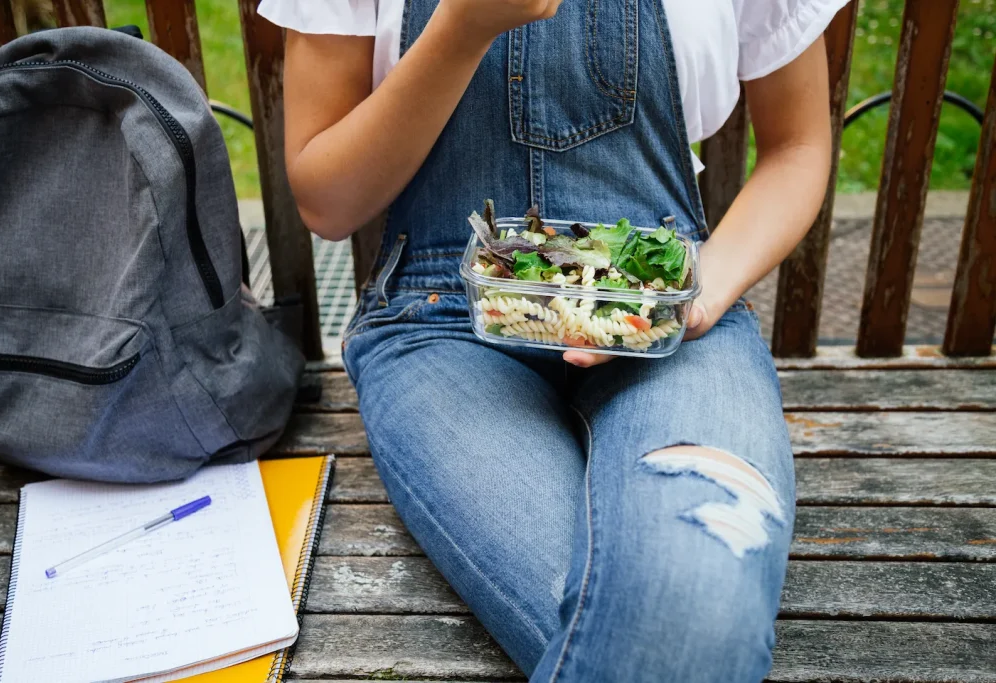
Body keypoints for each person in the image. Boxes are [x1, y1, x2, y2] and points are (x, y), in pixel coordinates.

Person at [261, 0, 843, 678]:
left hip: (666, 320)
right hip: (447, 324)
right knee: (667, 639)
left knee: (689, 603)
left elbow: (797, 146)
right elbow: (328, 203)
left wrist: (691, 293)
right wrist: (463, 28)